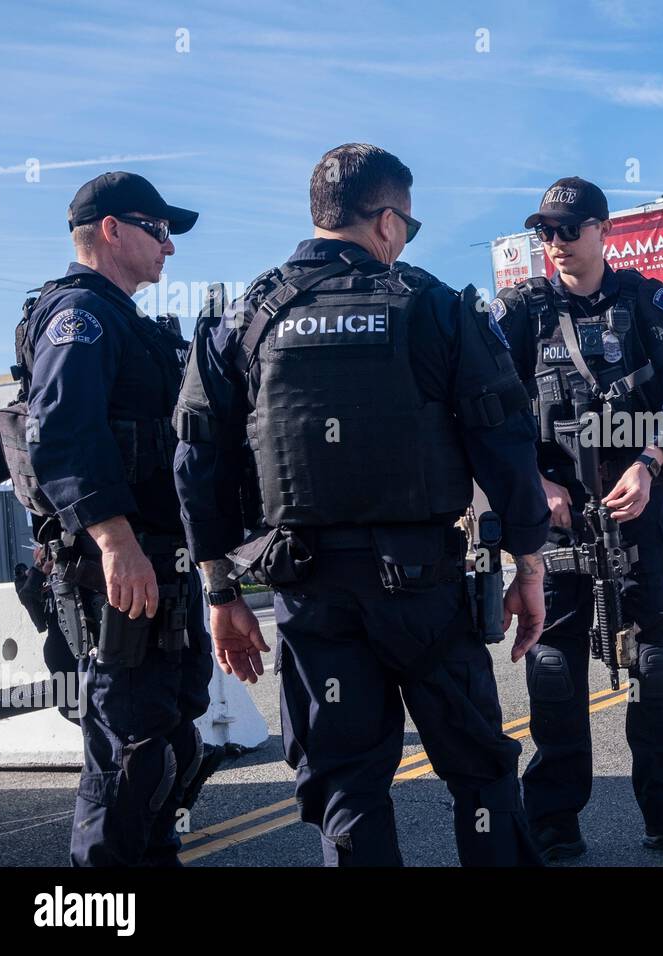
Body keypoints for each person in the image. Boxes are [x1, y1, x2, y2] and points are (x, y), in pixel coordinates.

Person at [174, 144, 550, 867]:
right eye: (407, 224)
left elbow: (197, 458)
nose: (405, 239)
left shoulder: (243, 318)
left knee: (345, 786)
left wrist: (220, 590)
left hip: (311, 598)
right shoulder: (437, 306)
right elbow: (503, 439)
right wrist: (527, 559)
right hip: (426, 591)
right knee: (479, 774)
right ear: (384, 221)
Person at [493, 176, 663, 861]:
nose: (556, 243)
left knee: (655, 667)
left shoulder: (647, 301)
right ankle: (555, 819)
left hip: (639, 513)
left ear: (603, 229)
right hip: (555, 522)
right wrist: (531, 482)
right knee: (555, 671)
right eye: (545, 232)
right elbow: (487, 410)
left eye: (570, 229)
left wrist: (651, 462)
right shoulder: (519, 314)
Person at [0, 172, 215, 866]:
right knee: (131, 749)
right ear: (113, 230)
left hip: (161, 569)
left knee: (171, 736)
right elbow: (62, 434)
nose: (169, 248)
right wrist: (114, 541)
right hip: (119, 572)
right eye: (158, 229)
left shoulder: (125, 322)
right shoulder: (78, 317)